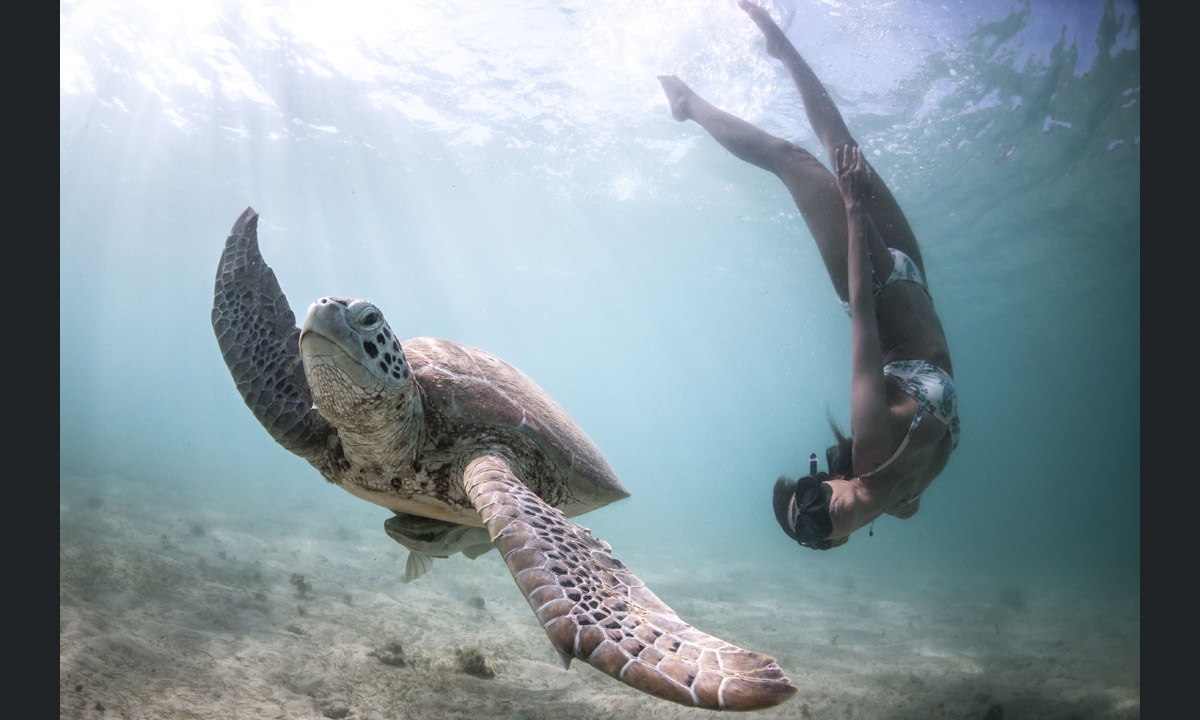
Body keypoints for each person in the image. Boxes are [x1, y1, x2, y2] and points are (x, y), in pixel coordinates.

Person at [658, 1, 958, 550]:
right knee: (836, 148)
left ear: (822, 479)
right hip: (915, 281)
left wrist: (852, 210)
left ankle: (694, 100)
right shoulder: (905, 504)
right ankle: (763, 53)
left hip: (874, 287)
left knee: (794, 157)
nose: (825, 510)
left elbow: (863, 322)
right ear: (835, 542)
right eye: (817, 526)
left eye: (810, 498)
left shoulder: (872, 444)